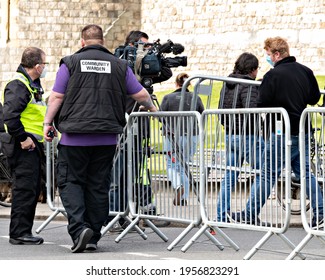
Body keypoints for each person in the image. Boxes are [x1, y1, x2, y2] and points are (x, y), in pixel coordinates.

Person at [43, 24, 157, 253]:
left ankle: (78, 230)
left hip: (74, 137)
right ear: (102, 41)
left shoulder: (71, 63)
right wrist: (153, 109)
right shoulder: (119, 65)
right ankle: (93, 235)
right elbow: (140, 94)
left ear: (82, 42)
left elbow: (56, 96)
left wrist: (47, 123)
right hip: (106, 138)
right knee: (98, 185)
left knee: (70, 182)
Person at [230, 36, 324, 228]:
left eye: (268, 55)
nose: (268, 59)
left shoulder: (273, 75)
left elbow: (262, 102)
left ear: (277, 54)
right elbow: (314, 98)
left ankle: (249, 213)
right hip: (303, 131)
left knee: (267, 175)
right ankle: (321, 213)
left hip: (280, 131)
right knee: (305, 174)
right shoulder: (306, 71)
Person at [107, 30, 173, 230]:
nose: (148, 51)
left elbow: (166, 73)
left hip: (140, 131)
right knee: (117, 177)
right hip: (123, 127)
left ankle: (125, 213)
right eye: (145, 47)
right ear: (133, 46)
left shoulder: (142, 70)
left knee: (132, 174)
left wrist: (155, 56)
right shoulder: (119, 66)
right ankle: (112, 217)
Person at [2, 47, 48, 245]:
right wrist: (22, 138)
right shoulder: (19, 85)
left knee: (30, 188)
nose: (45, 68)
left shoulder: (32, 85)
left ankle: (23, 231)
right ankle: (19, 233)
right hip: (23, 145)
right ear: (37, 66)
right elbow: (10, 117)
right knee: (24, 189)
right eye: (44, 64)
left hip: (31, 144)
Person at [216, 52, 264, 223]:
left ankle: (221, 215)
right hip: (248, 136)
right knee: (264, 173)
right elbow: (251, 110)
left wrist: (228, 127)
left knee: (229, 176)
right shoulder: (248, 85)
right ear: (252, 69)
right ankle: (250, 213)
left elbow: (220, 110)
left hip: (231, 135)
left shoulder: (227, 84)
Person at [160, 73, 205, 206]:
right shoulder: (195, 98)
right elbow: (202, 114)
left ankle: (178, 185)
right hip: (192, 135)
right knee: (184, 165)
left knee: (171, 164)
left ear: (176, 83)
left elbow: (159, 115)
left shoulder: (168, 98)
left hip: (173, 136)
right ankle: (183, 197)